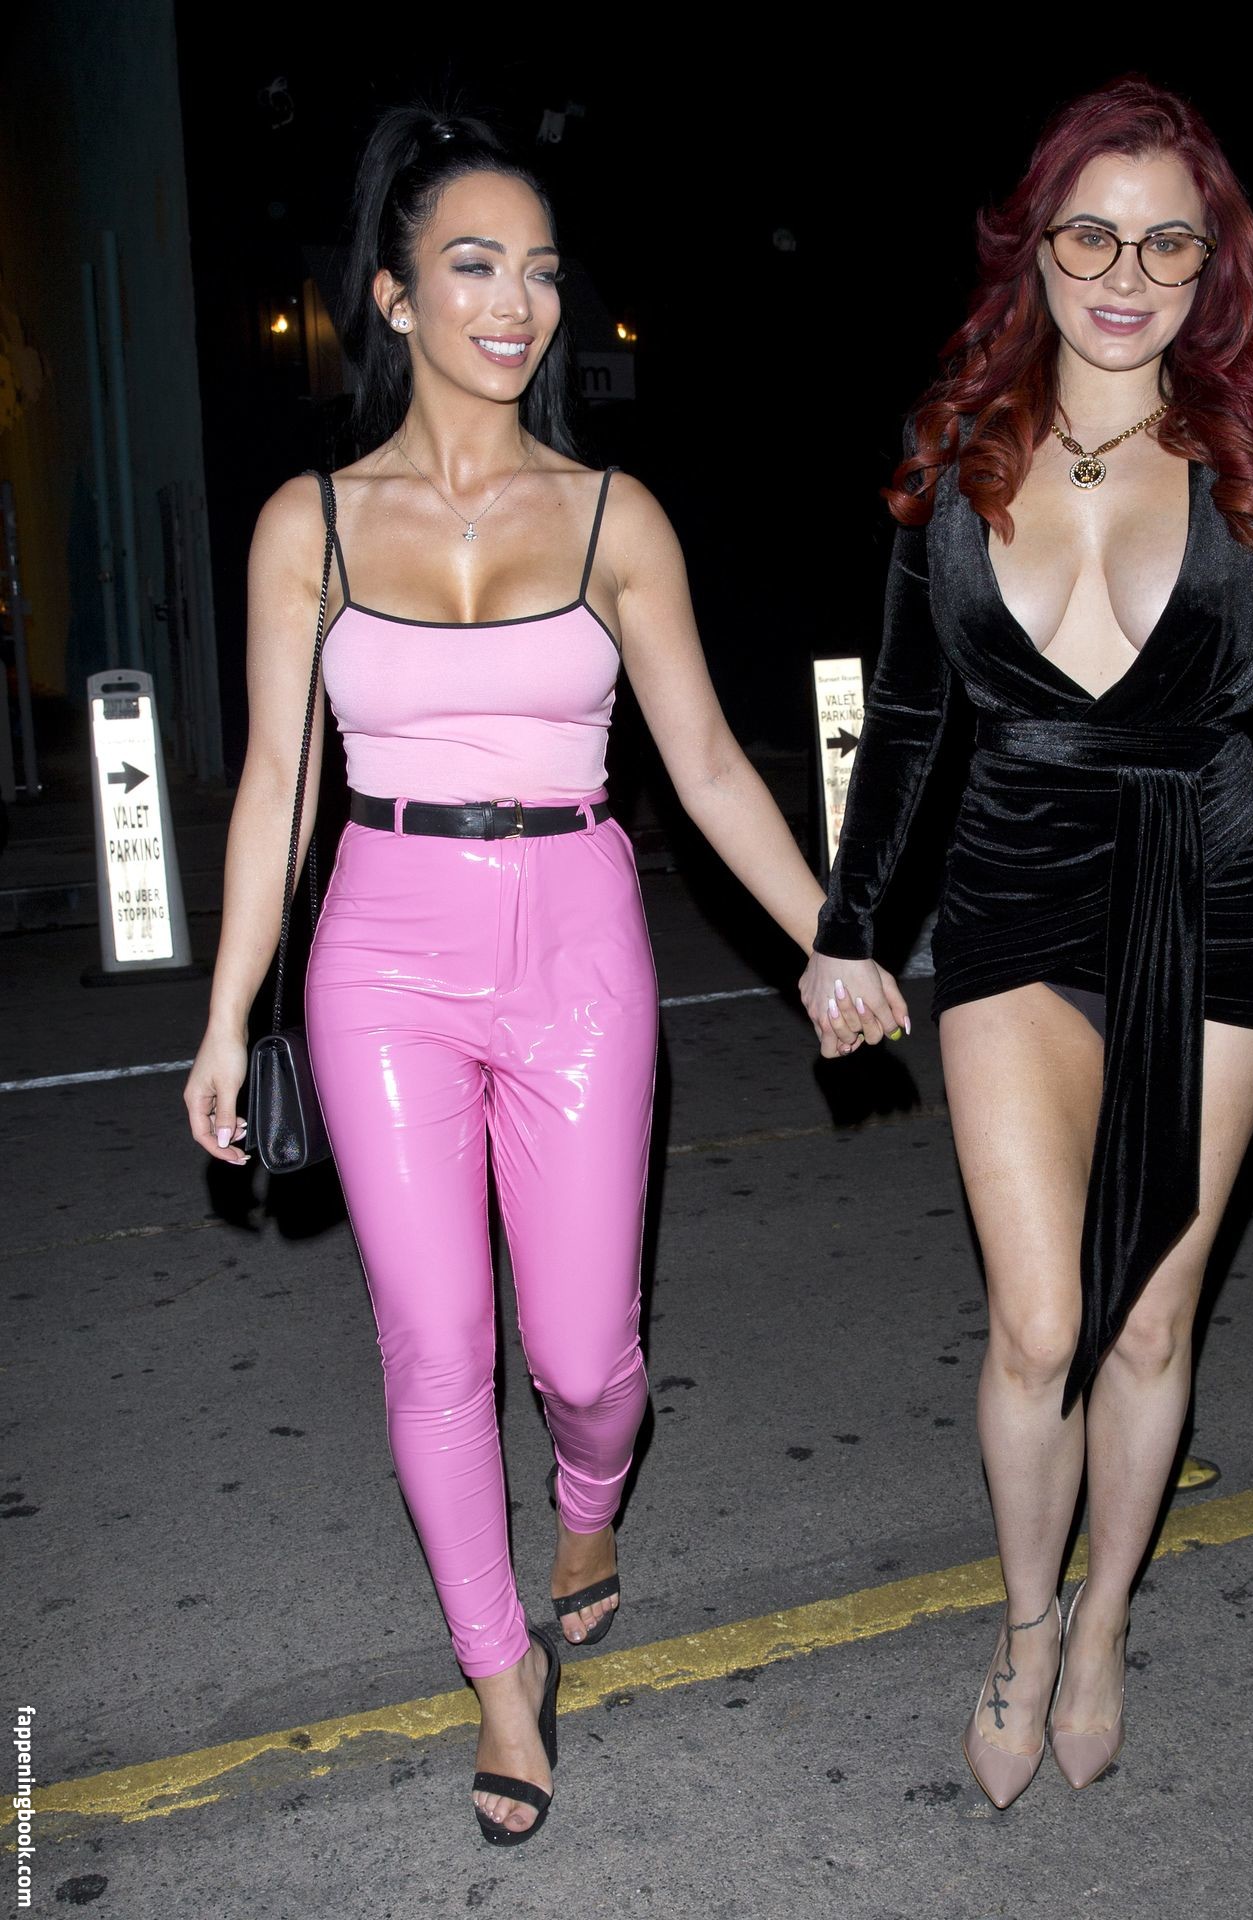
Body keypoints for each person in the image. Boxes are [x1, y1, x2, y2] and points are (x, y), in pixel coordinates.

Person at [183, 108, 878, 1847]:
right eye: (474, 266)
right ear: (393, 296)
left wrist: (828, 934)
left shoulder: (611, 516)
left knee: (583, 1353)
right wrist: (225, 1014)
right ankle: (500, 1675)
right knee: (433, 1343)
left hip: (573, 931)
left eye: (541, 272)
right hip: (380, 946)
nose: (516, 304)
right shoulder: (306, 524)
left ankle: (590, 1493)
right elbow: (277, 790)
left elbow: (703, 764)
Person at [800, 77, 1253, 1808]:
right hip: (1013, 894)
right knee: (1040, 1325)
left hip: (1215, 900)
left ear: (1209, 267)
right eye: (1091, 234)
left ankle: (1105, 1620)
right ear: (1033, 247)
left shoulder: (1249, 460)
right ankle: (1024, 1624)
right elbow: (906, 720)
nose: (1125, 273)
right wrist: (846, 929)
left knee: (1150, 1328)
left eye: (1165, 242)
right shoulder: (956, 450)